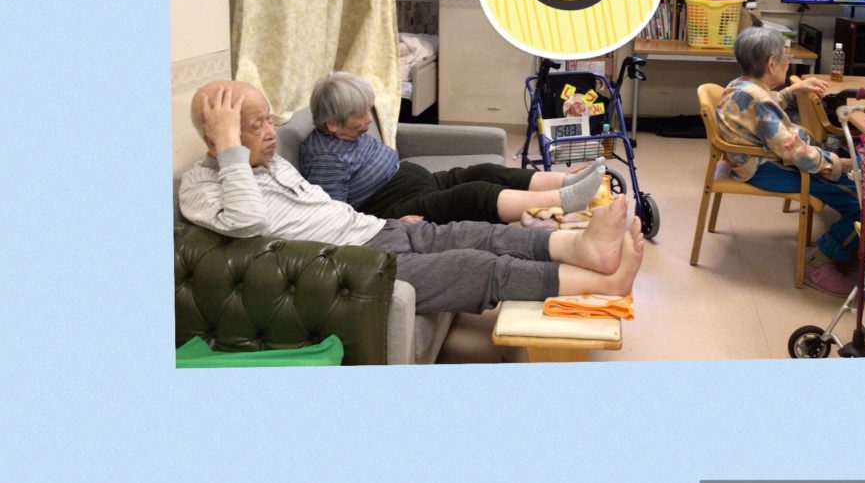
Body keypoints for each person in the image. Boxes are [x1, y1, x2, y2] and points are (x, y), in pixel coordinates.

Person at [178, 81, 643, 316]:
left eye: (269, 120)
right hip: (347, 264)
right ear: (216, 137)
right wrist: (231, 150)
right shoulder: (203, 188)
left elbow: (324, 205)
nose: (270, 133)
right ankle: (603, 284)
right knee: (474, 265)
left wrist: (389, 224)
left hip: (372, 231)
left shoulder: (269, 163)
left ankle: (581, 247)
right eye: (253, 126)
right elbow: (248, 223)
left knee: (476, 234)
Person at [297, 71, 608, 224]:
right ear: (332, 124)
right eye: (360, 115)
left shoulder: (344, 133)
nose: (369, 119)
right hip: (394, 207)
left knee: (485, 171)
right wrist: (390, 225)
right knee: (474, 194)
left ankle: (569, 181)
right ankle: (566, 200)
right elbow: (335, 218)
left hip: (412, 183)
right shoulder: (326, 158)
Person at [716, 26, 860, 296]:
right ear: (772, 63)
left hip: (754, 161)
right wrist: (837, 164)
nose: (787, 62)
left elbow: (764, 108)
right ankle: (817, 263)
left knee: (851, 176)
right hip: (764, 168)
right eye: (785, 57)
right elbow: (794, 153)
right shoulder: (758, 100)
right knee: (863, 202)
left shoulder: (741, 86)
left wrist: (793, 89)